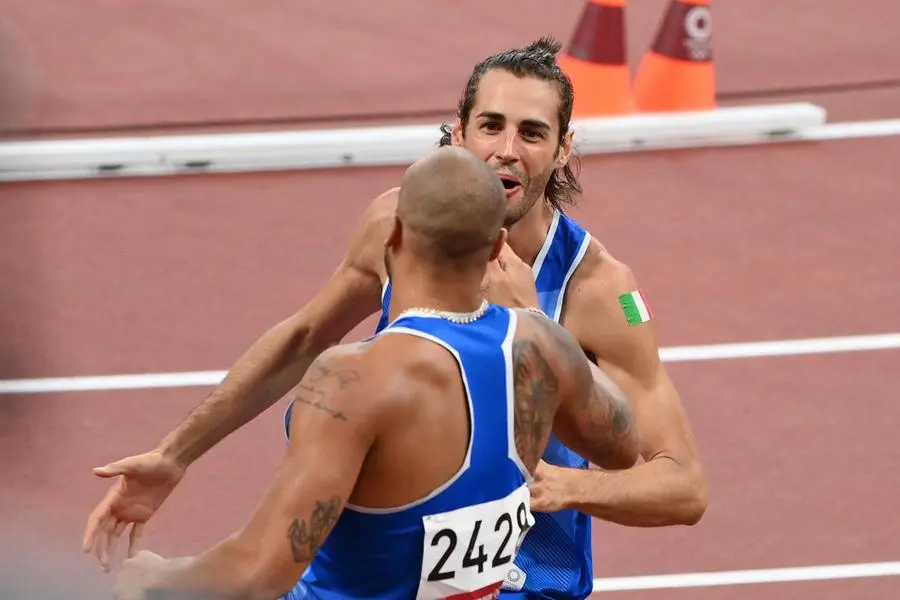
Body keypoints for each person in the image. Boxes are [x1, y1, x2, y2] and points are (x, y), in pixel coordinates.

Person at [85, 36, 708, 600]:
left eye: (532, 133)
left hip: (522, 587)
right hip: (380, 571)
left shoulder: (596, 289)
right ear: (459, 132)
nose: (506, 151)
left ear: (563, 147)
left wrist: (565, 487)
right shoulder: (405, 222)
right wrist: (175, 453)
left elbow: (682, 485)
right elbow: (305, 337)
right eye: (491, 126)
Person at [110, 146, 639, 600]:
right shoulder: (541, 346)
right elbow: (622, 447)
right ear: (498, 247)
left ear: (393, 235)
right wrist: (539, 322)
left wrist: (155, 580)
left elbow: (260, 572)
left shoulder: (355, 379)